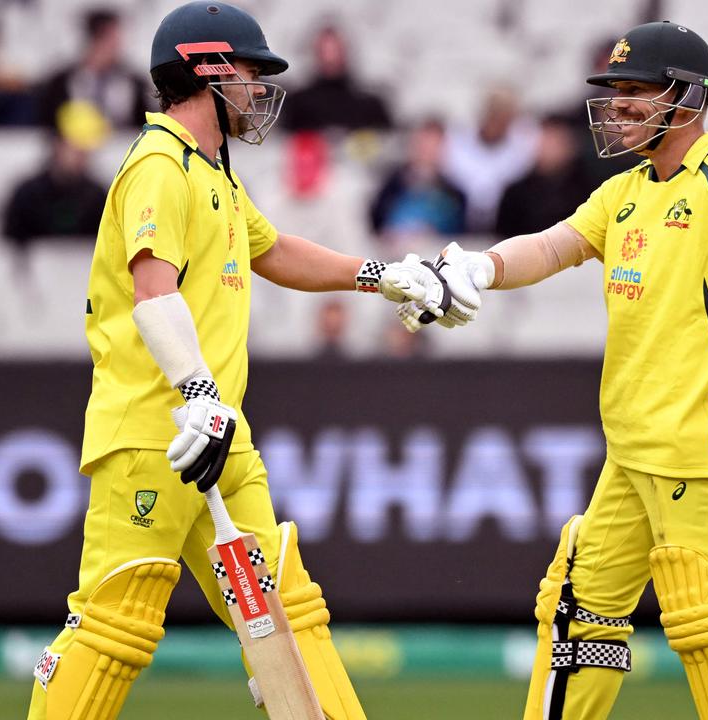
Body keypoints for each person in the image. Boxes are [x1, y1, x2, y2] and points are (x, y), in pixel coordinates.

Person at [24, 5, 458, 719]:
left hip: (219, 431)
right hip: (153, 434)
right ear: (207, 73)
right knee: (115, 628)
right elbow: (151, 291)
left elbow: (275, 251)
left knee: (288, 610)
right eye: (250, 76)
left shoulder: (214, 173)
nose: (259, 92)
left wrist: (383, 275)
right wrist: (195, 389)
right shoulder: (160, 166)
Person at [402, 22, 708, 720]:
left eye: (633, 95)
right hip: (628, 457)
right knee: (578, 611)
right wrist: (480, 265)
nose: (617, 110)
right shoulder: (626, 190)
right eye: (614, 96)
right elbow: (554, 246)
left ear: (685, 99)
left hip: (695, 457)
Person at [1, 102, 110, 251]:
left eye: (86, 152)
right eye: (76, 149)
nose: (82, 158)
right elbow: (9, 243)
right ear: (57, 144)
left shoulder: (98, 196)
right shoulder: (27, 194)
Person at [35, 8, 151, 131]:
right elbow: (45, 124)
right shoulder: (60, 83)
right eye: (113, 40)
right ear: (95, 40)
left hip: (121, 148)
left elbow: (144, 123)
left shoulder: (134, 83)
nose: (119, 46)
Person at [442, 85, 539, 232]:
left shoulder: (524, 147)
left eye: (504, 113)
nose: (498, 119)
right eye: (494, 111)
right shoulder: (457, 144)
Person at [494, 115, 596, 238]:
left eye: (556, 142)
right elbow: (501, 237)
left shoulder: (588, 192)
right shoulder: (516, 193)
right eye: (545, 140)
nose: (548, 147)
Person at [280, 25, 392, 133]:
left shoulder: (370, 105)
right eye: (325, 51)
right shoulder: (297, 105)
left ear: (346, 52)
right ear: (315, 53)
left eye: (335, 50)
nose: (330, 58)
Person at [368, 119, 468, 239]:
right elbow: (376, 223)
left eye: (433, 145)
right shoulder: (392, 185)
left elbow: (460, 233)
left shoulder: (454, 194)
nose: (426, 151)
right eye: (423, 144)